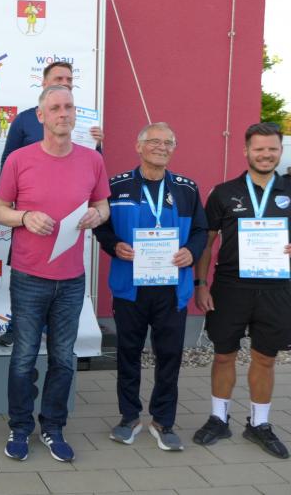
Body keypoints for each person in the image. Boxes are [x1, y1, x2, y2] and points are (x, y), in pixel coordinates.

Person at [0, 85, 110, 463]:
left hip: (72, 278)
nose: (63, 113)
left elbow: (103, 207)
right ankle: (20, 426)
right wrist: (25, 217)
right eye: (55, 108)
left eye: (68, 107)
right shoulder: (19, 159)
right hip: (29, 276)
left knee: (63, 358)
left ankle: (53, 427)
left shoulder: (92, 160)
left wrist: (97, 215)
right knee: (24, 357)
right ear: (40, 116)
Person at [93, 123, 207, 451]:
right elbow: (101, 226)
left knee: (169, 356)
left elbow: (201, 230)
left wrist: (192, 251)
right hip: (130, 288)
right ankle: (129, 418)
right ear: (138, 146)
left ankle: (163, 421)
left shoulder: (186, 188)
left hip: (172, 289)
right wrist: (114, 245)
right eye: (154, 141)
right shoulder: (116, 186)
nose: (161, 147)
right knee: (128, 354)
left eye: (168, 142)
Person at [192, 122, 291, 459]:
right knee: (223, 355)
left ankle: (259, 424)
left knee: (265, 357)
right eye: (259, 148)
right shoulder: (223, 193)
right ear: (246, 151)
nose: (265, 154)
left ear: (280, 151)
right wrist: (201, 284)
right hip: (230, 287)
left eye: (272, 149)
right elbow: (206, 243)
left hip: (277, 289)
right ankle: (218, 419)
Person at [0, 60, 105, 347]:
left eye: (69, 80)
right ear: (43, 86)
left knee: (63, 352)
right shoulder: (24, 124)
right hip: (30, 244)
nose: (65, 83)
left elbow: (97, 191)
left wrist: (97, 144)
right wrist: (23, 212)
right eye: (59, 79)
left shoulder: (85, 127)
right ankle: (16, 326)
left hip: (69, 261)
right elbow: (6, 174)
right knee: (24, 349)